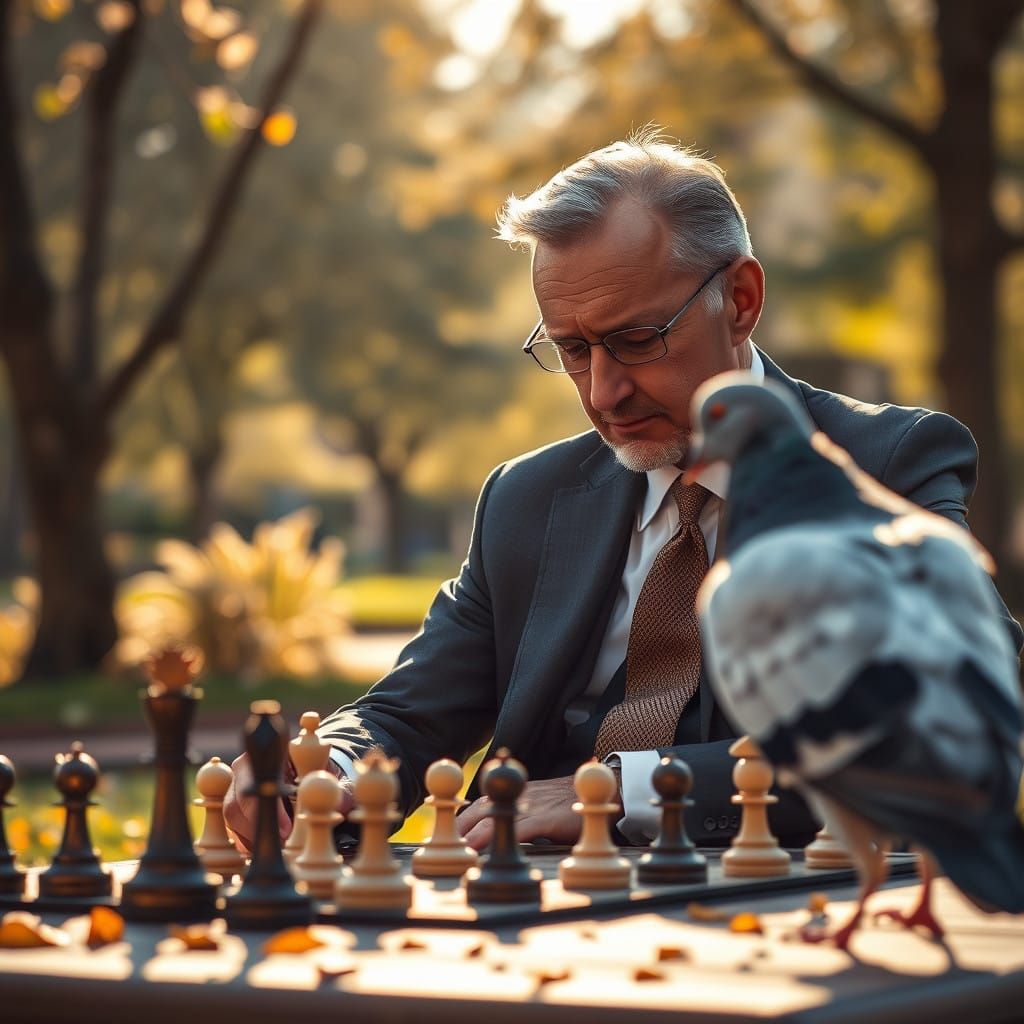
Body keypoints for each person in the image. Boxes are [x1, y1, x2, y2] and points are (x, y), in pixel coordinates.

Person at [224, 129, 1023, 854]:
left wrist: (616, 793)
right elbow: (410, 710)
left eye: (637, 340)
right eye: (573, 350)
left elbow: (948, 719)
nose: (603, 392)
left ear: (741, 301)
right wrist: (328, 764)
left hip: (786, 907)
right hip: (530, 909)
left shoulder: (887, 462)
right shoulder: (524, 498)